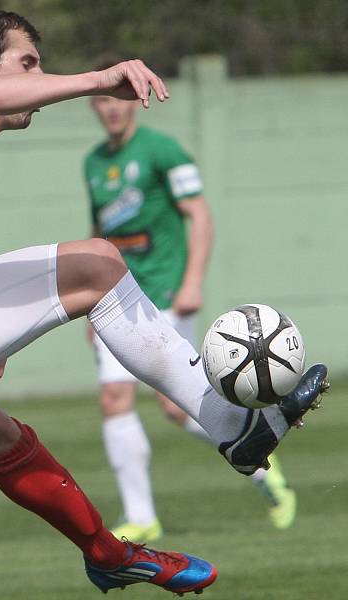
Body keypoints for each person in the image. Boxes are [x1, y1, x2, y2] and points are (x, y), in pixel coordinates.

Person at [0, 8, 329, 599]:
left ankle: (228, 429)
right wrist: (98, 79)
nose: (39, 74)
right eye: (28, 62)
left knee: (95, 267)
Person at [82, 54, 297, 541]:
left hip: (161, 294)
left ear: (131, 100)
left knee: (177, 407)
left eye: (115, 100)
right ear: (93, 107)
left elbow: (199, 215)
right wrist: (87, 302)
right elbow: (98, 231)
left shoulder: (161, 151)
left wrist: (193, 280)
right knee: (115, 399)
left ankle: (261, 461)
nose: (110, 110)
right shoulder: (94, 163)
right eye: (99, 102)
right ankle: (141, 516)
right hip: (114, 296)